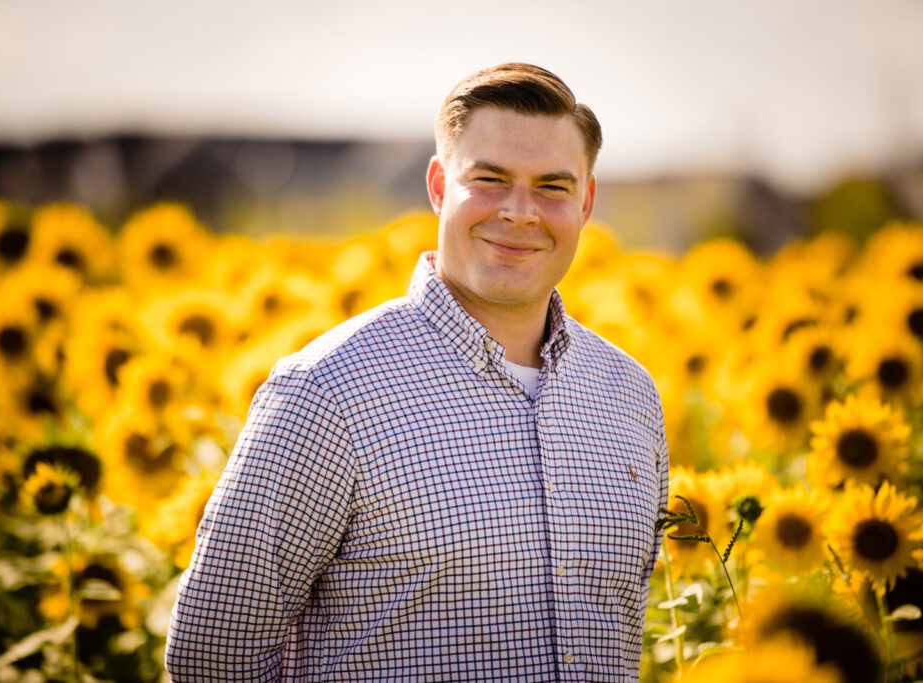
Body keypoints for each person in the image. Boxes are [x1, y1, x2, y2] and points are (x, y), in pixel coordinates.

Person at [166, 62, 669, 681]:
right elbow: (213, 655)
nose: (519, 211)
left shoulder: (629, 397)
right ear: (438, 185)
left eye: (552, 187)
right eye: (489, 179)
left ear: (586, 201)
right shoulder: (327, 392)